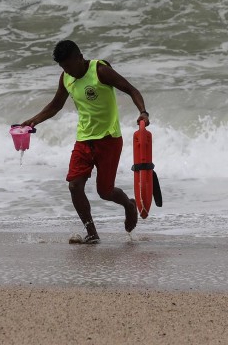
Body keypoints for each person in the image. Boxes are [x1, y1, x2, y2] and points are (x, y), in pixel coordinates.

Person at [21, 40, 149, 244]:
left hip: (109, 139)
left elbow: (131, 90)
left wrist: (142, 112)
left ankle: (129, 205)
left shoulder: (100, 71)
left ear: (80, 57)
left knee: (105, 192)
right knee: (74, 185)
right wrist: (34, 120)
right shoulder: (66, 77)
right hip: (84, 139)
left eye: (70, 66)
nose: (68, 71)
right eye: (63, 67)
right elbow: (56, 105)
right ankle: (91, 231)